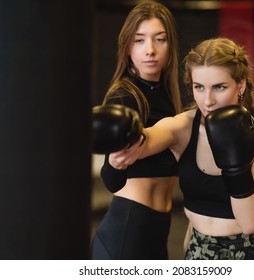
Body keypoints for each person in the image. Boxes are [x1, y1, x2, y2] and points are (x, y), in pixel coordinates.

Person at [108, 37, 254, 260]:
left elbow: (250, 223)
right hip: (199, 251)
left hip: (250, 254)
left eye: (219, 87)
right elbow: (146, 141)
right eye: (199, 87)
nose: (207, 101)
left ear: (240, 85)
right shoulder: (183, 127)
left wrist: (235, 165)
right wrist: (121, 136)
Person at [91, 1, 182, 260]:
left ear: (170, 45)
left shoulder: (168, 97)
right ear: (127, 47)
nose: (150, 50)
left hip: (158, 234)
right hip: (125, 235)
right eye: (139, 40)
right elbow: (110, 179)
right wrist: (117, 164)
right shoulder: (124, 97)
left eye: (159, 39)